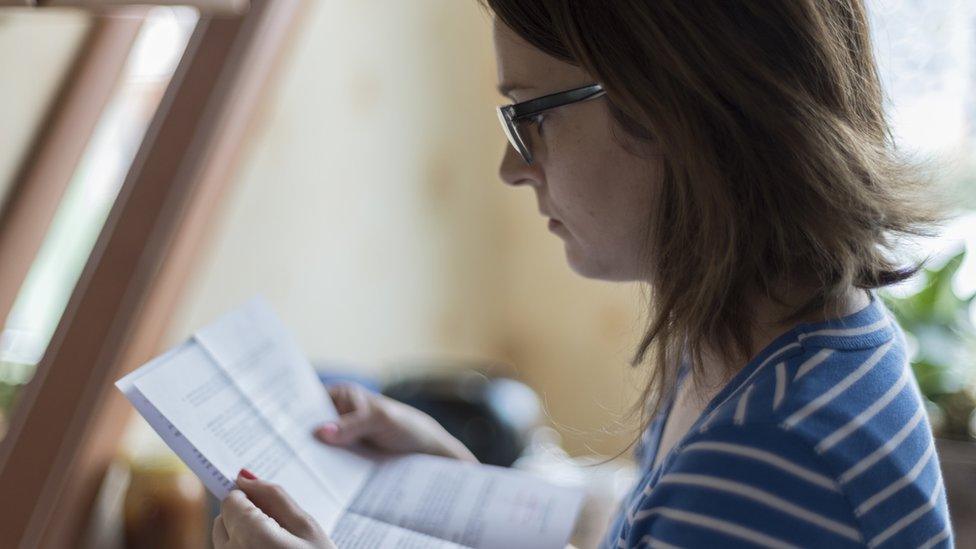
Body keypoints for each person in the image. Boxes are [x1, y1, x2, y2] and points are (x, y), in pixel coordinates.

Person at [212, 1, 954, 547]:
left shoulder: (775, 454)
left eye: (529, 114)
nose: (512, 167)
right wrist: (456, 480)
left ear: (670, 108)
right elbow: (637, 528)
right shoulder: (759, 344)